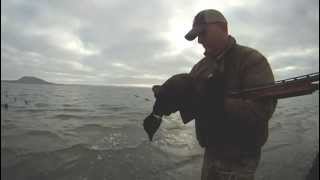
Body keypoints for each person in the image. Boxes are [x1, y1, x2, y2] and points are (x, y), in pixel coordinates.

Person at [144, 9, 277, 180]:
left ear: (223, 29)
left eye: (203, 33)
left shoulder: (251, 60)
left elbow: (263, 110)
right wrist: (170, 102)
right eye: (197, 37)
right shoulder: (200, 68)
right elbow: (194, 105)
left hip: (241, 156)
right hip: (211, 151)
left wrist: (219, 103)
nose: (199, 41)